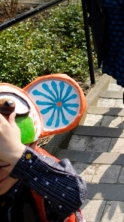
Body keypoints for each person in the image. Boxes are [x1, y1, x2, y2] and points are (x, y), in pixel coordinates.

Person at [0, 76, 87, 221]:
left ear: (31, 149)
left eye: (5, 163)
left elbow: (73, 195)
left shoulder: (41, 173)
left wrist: (18, 158)